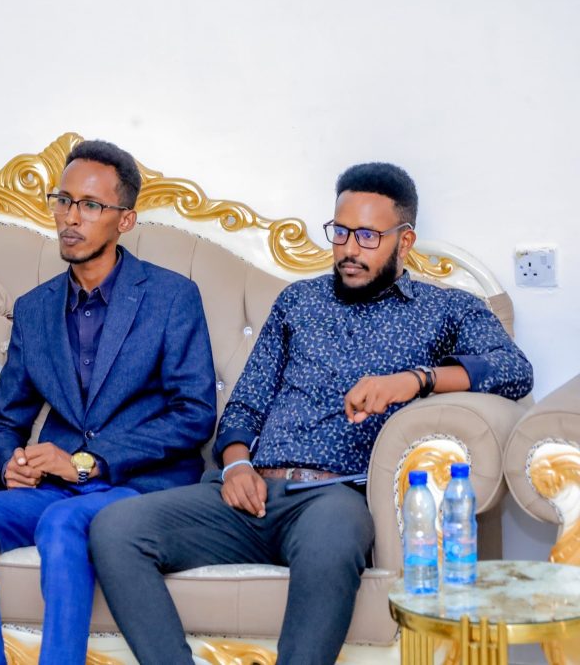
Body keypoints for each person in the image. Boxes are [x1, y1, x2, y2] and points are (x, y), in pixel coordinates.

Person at [89, 162, 534, 665]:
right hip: (250, 493)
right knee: (114, 529)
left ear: (405, 241)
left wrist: (413, 380)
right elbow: (245, 405)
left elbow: (513, 370)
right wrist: (235, 465)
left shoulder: (444, 310)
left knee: (330, 545)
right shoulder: (297, 302)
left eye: (367, 236)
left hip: (333, 498)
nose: (348, 249)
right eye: (340, 232)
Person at [0, 140, 217, 665]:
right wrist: (10, 463)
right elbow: (4, 418)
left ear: (125, 220)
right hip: (57, 488)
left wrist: (88, 461)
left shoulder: (171, 297)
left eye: (90, 205)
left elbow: (194, 414)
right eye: (63, 201)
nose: (70, 217)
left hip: (140, 487)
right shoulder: (35, 308)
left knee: (62, 524)